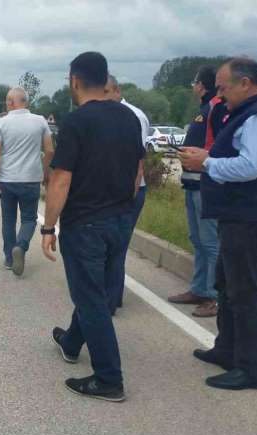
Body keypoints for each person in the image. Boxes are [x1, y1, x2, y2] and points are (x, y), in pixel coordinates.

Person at [179, 58, 257, 390]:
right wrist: (208, 158)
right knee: (227, 285)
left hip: (254, 215)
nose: (219, 95)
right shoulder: (253, 111)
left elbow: (251, 167)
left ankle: (252, 369)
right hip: (241, 214)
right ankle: (228, 349)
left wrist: (207, 162)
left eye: (223, 87)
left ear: (245, 83)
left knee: (244, 292)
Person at [42, 52, 145, 402]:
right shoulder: (130, 118)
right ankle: (71, 342)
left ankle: (108, 378)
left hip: (86, 223)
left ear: (74, 81)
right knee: (96, 290)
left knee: (90, 300)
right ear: (105, 79)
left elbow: (61, 179)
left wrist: (48, 227)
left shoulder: (77, 122)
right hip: (121, 217)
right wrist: (125, 208)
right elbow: (136, 173)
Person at [167, 65, 221, 317]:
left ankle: (213, 295)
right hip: (192, 182)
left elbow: (218, 146)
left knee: (210, 242)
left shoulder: (216, 107)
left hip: (207, 184)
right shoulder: (203, 110)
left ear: (201, 85)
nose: (193, 87)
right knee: (198, 241)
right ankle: (199, 289)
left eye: (194, 82)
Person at [0, 87, 54, 276]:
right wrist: (45, 171)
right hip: (31, 179)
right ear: (26, 102)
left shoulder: (1, 123)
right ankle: (21, 247)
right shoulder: (40, 121)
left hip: (7, 180)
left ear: (10, 102)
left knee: (8, 220)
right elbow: (49, 151)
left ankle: (9, 258)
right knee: (29, 218)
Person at [104, 75, 149, 313]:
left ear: (117, 91)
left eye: (108, 92)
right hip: (113, 189)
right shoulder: (109, 114)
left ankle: (111, 299)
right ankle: (112, 294)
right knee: (112, 245)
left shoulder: (133, 116)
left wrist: (128, 195)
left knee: (117, 246)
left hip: (129, 190)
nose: (104, 98)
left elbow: (138, 162)